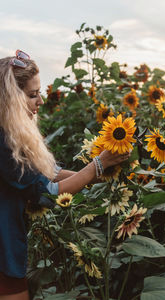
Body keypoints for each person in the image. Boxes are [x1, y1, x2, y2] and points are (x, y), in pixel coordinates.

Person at [0, 50, 130, 300]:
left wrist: (96, 174)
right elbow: (47, 194)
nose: (40, 102)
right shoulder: (3, 142)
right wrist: (97, 166)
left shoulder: (9, 134)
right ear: (11, 99)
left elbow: (48, 172)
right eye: (33, 95)